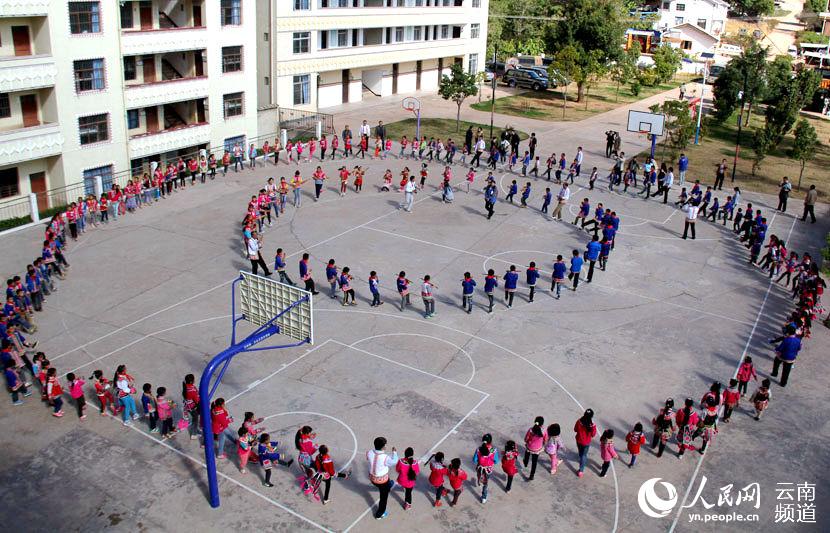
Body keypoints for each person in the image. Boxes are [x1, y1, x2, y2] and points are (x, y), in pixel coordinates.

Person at [366, 437, 398, 520]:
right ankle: (380, 514)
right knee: (383, 498)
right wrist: (394, 452)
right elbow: (394, 461)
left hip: (372, 478)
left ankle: (389, 484)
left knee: (386, 483)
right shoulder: (385, 457)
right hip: (382, 481)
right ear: (383, 447)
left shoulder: (369, 452)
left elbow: (368, 457)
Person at [473, 434, 499, 504]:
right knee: (485, 484)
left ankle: (479, 481)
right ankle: (484, 497)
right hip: (488, 470)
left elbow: (474, 460)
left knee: (479, 475)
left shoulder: (478, 449)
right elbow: (496, 461)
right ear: (490, 441)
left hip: (479, 468)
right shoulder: (494, 450)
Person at [573, 409, 597, 478]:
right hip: (586, 442)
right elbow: (593, 434)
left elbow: (575, 429)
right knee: (584, 455)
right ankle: (581, 470)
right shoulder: (592, 425)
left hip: (579, 440)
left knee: (580, 452)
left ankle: (580, 459)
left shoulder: (579, 421)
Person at [523, 416, 546, 481]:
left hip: (529, 446)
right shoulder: (544, 431)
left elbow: (526, 438)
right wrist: (543, 444)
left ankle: (525, 462)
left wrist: (526, 441)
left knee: (527, 453)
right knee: (534, 462)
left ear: (535, 422)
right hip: (537, 449)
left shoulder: (531, 430)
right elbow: (545, 439)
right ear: (542, 424)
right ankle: (532, 475)